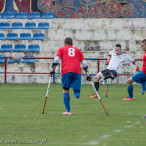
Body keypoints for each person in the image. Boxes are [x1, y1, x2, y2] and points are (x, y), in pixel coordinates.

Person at [50, 37, 91, 115]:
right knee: (76, 89)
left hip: (66, 71)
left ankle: (68, 111)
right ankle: (77, 93)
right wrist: (87, 74)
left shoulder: (61, 49)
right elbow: (84, 64)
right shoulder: (78, 50)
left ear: (64, 44)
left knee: (65, 89)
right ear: (72, 44)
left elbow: (56, 60)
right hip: (77, 72)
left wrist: (53, 70)